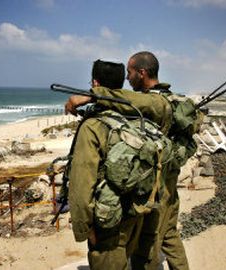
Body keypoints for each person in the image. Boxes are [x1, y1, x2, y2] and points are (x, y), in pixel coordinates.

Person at [66, 51, 196, 270]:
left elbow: (82, 182)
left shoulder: (154, 102)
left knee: (149, 251)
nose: (128, 78)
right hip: (151, 188)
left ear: (142, 73)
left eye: (131, 72)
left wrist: (84, 228)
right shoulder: (137, 112)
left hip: (153, 191)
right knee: (165, 238)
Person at [68, 59, 148, 269]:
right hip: (133, 213)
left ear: (95, 83)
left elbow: (81, 186)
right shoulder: (135, 117)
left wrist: (85, 230)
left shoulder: (93, 127)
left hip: (107, 222)